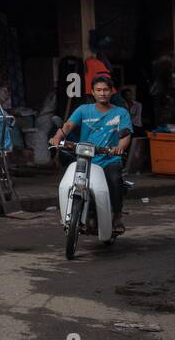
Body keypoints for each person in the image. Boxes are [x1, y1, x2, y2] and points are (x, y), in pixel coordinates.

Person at [51, 74, 133, 233]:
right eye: (99, 90)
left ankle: (116, 216)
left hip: (110, 158)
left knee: (115, 179)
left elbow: (126, 135)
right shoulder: (83, 110)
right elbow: (67, 126)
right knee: (69, 181)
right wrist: (56, 137)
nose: (102, 93)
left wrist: (119, 147)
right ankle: (69, 213)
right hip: (86, 158)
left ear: (111, 92)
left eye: (106, 90)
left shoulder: (121, 113)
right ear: (93, 92)